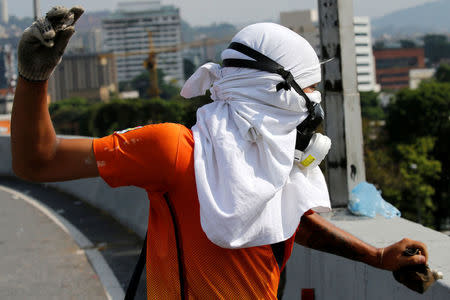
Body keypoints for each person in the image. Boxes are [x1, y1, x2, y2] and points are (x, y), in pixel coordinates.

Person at [11, 6, 428, 299]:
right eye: (311, 89)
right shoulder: (173, 150)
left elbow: (287, 222)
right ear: (279, 93)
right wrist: (34, 79)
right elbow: (38, 160)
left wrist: (376, 257)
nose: (314, 104)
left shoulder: (275, 161)